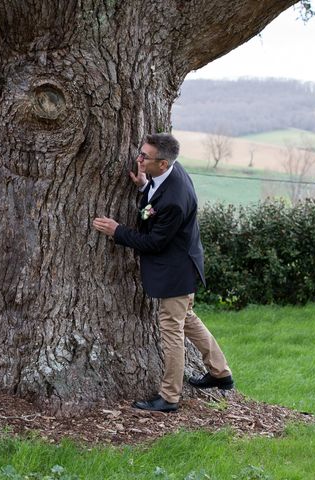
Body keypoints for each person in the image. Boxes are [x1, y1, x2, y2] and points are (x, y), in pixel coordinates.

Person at [93, 132, 233, 413]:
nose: (139, 159)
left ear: (164, 164)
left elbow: (154, 242)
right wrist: (145, 187)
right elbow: (153, 201)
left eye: (145, 157)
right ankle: (220, 373)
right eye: (140, 153)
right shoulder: (168, 175)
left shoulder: (174, 199)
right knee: (187, 319)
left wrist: (117, 231)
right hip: (181, 266)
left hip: (175, 271)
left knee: (172, 331)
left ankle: (170, 397)